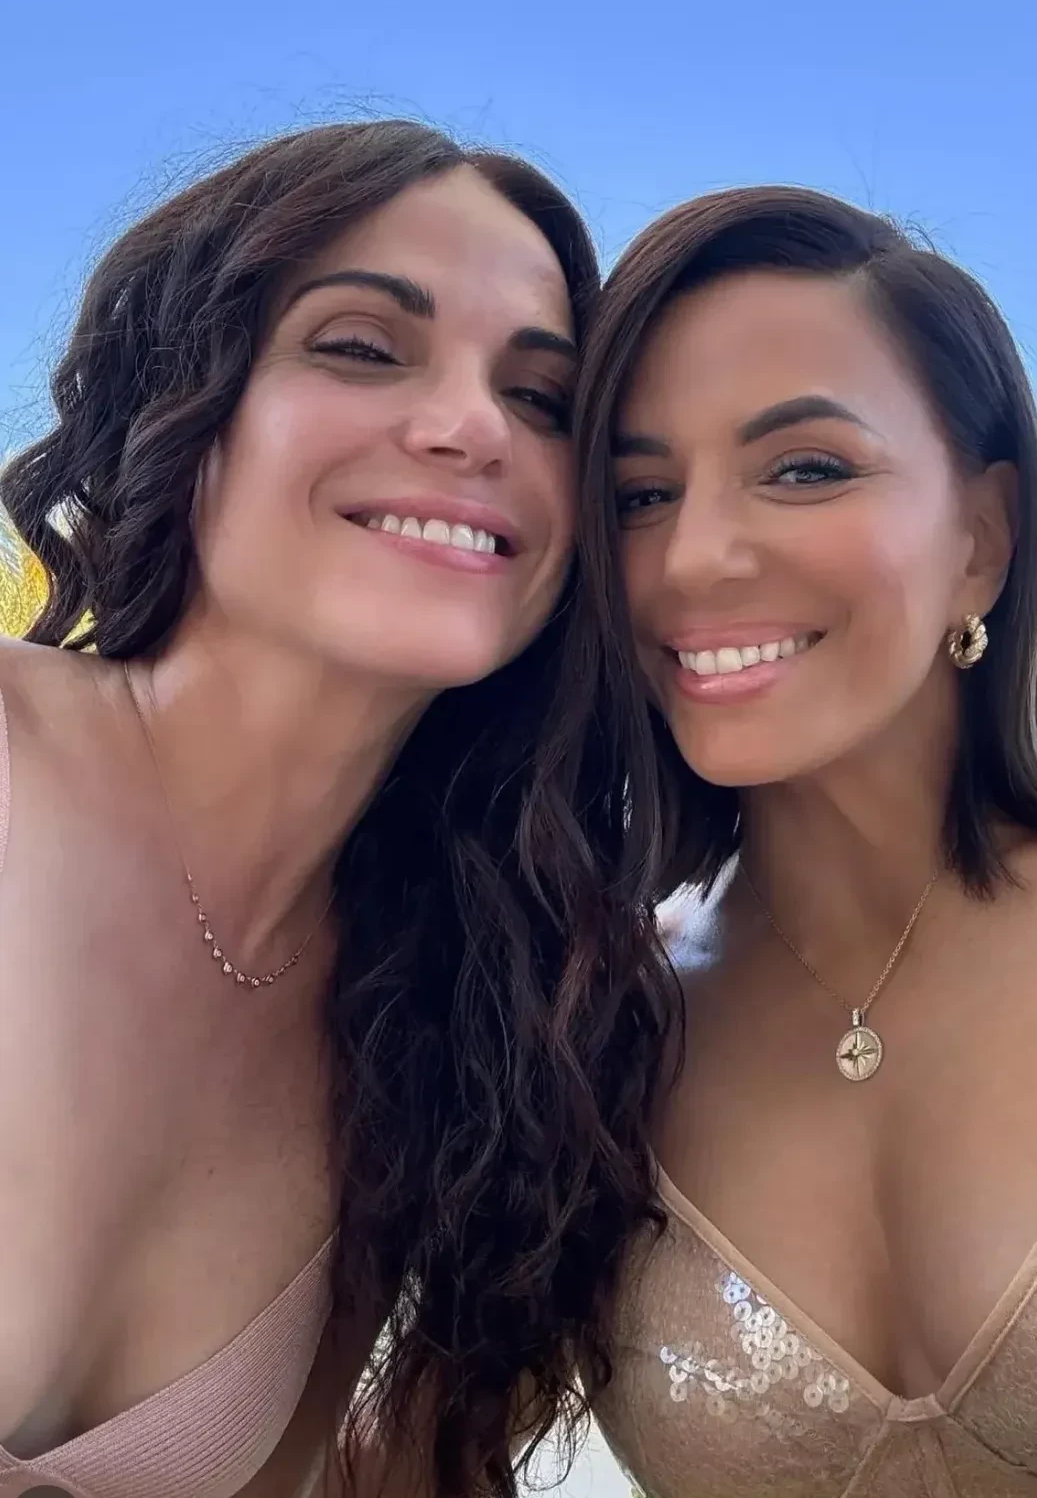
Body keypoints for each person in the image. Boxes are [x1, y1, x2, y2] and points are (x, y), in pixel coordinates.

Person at [0, 121, 677, 1498]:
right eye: (363, 347)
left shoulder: (442, 1034)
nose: (472, 426)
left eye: (541, 398)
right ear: (187, 403)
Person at [572, 185, 1037, 1497]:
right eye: (640, 495)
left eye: (805, 468)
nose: (693, 557)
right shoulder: (601, 1027)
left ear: (982, 540)